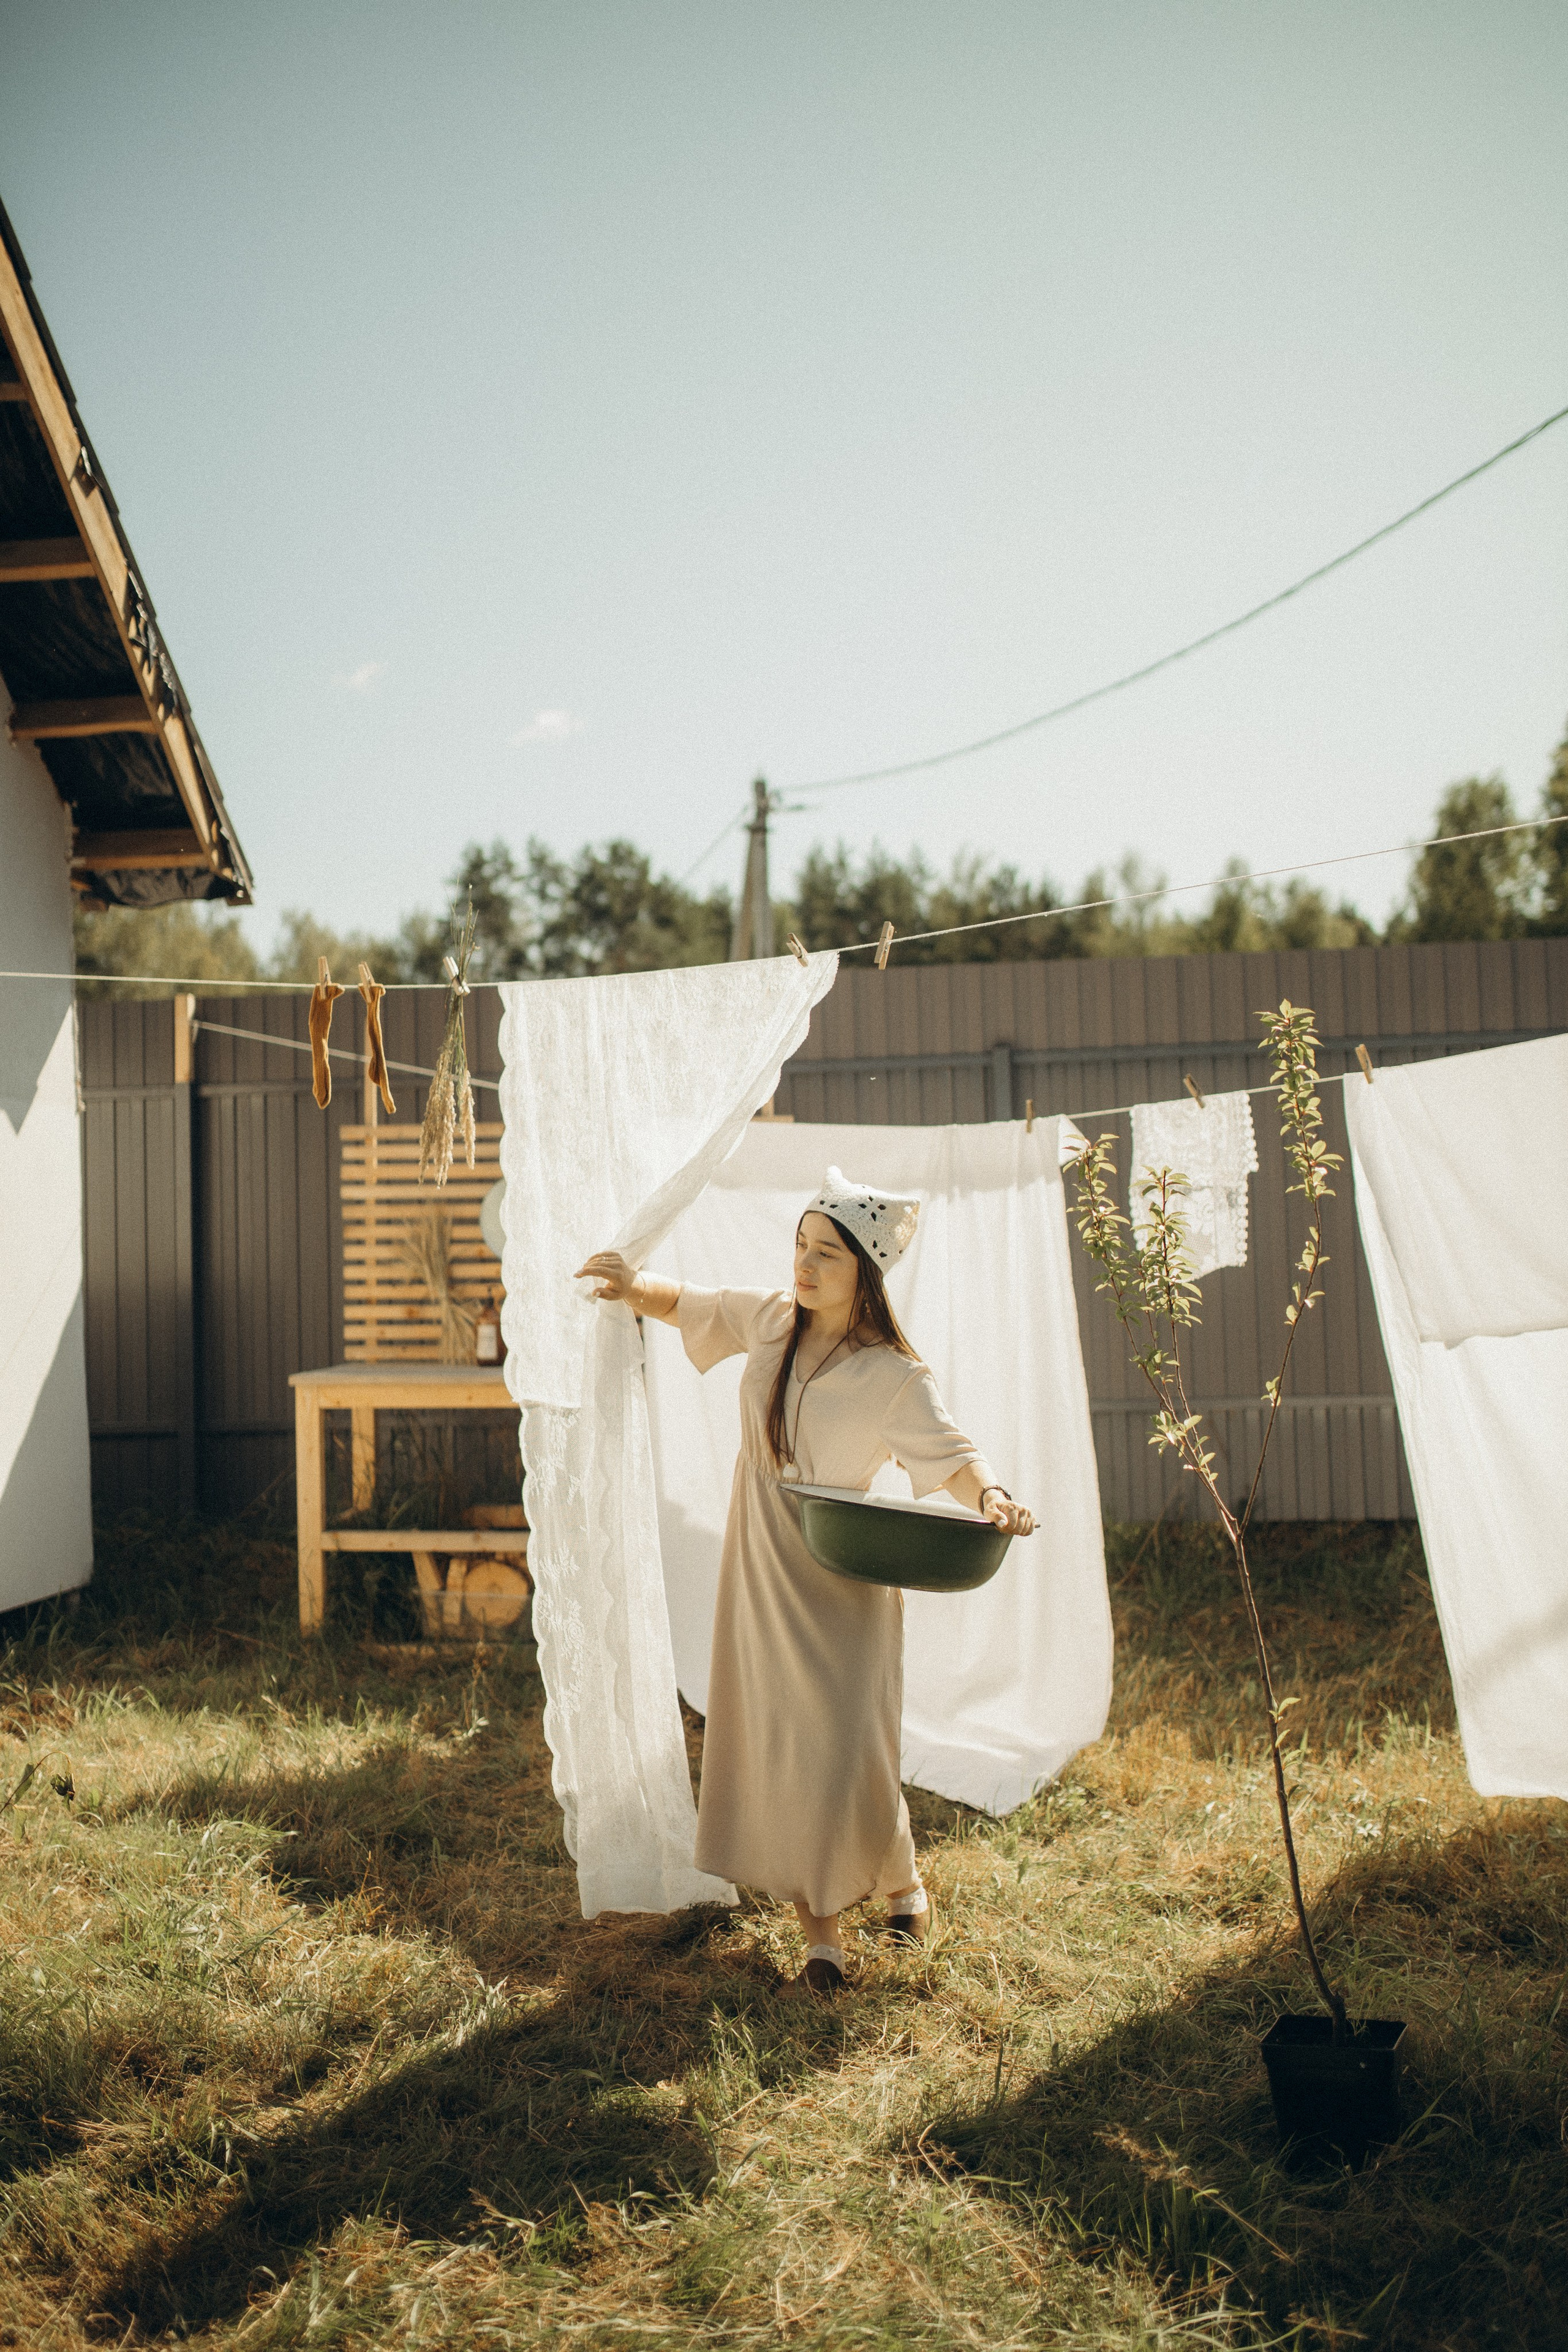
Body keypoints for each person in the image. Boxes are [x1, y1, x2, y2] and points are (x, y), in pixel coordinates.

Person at [578, 1166, 1036, 1996]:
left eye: (826, 1252)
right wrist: (627, 1284)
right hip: (759, 1561)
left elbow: (955, 1457)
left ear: (866, 1270)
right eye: (800, 1245)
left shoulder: (897, 1375)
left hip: (843, 1572)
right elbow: (693, 1304)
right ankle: (822, 1939)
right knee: (786, 1745)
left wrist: (996, 1497)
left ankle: (902, 1884)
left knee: (846, 1751)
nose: (805, 1263)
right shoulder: (774, 1321)